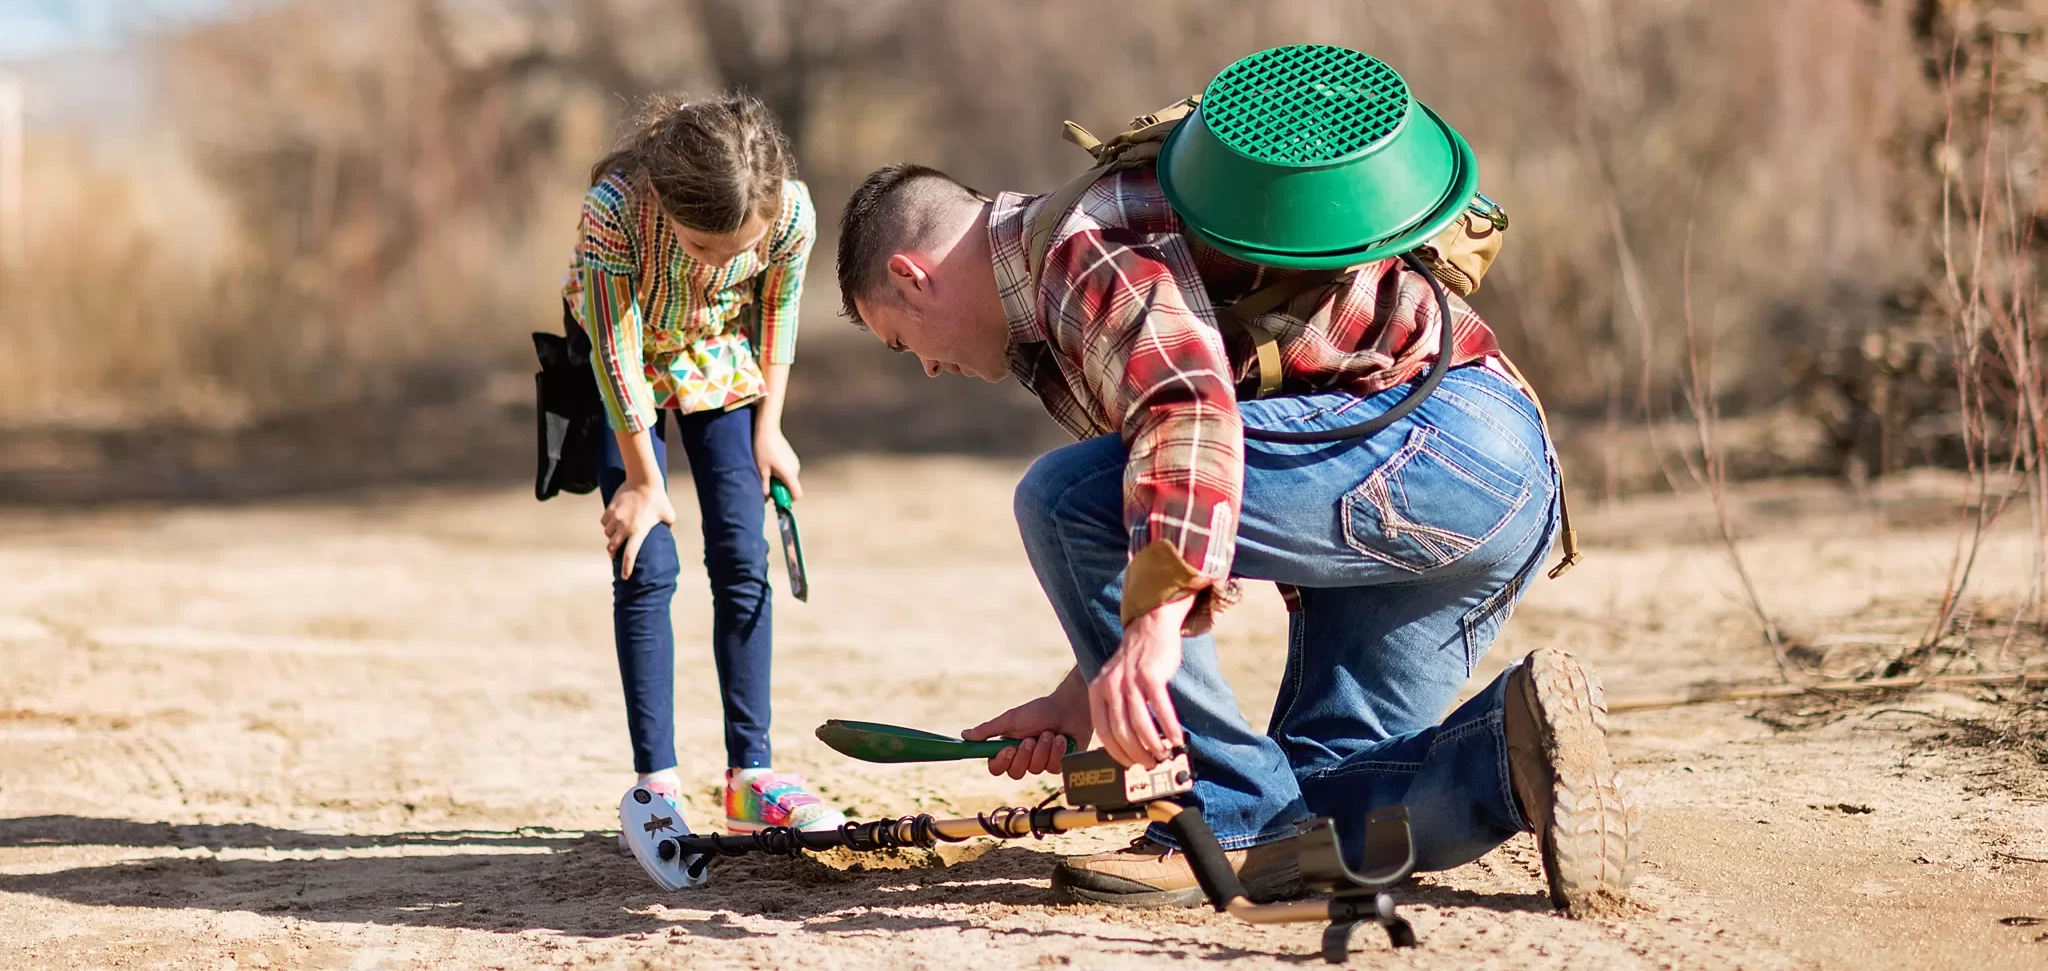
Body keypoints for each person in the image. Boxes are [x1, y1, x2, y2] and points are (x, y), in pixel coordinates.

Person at [831, 64, 1640, 914]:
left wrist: (1143, 632)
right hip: (1495, 482)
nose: (927, 366)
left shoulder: (1079, 244)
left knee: (1066, 497)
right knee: (1309, 809)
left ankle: (1221, 814)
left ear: (913, 275)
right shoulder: (1062, 296)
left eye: (901, 341)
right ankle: (1516, 749)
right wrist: (1080, 698)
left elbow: (1187, 416)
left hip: (1435, 443)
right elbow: (1178, 517)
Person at [565, 91, 843, 835]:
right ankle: (654, 786)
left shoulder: (789, 213)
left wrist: (770, 429)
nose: (724, 264)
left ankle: (751, 774)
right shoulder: (616, 211)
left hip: (717, 357)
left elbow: (777, 308)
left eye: (737, 253)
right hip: (623, 365)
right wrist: (643, 480)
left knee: (742, 555)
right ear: (663, 200)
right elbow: (615, 348)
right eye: (703, 250)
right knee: (646, 563)